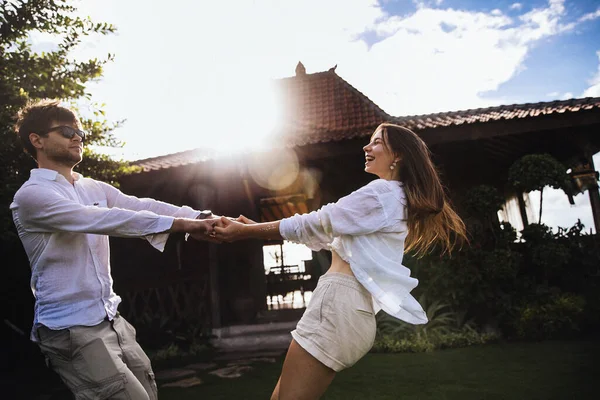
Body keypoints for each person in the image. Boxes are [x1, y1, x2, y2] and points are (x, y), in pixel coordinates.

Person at [214, 123, 468, 400]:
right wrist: (258, 228)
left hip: (337, 305)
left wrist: (246, 232)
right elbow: (329, 236)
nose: (366, 147)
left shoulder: (382, 193)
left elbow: (320, 221)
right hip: (349, 311)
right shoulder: (397, 199)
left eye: (376, 142)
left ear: (399, 155)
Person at [10, 99, 219, 400]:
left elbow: (140, 206)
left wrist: (200, 217)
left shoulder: (92, 188)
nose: (77, 137)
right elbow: (103, 219)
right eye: (67, 130)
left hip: (111, 318)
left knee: (148, 393)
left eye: (80, 132)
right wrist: (184, 226)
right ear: (37, 140)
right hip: (71, 328)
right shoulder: (32, 196)